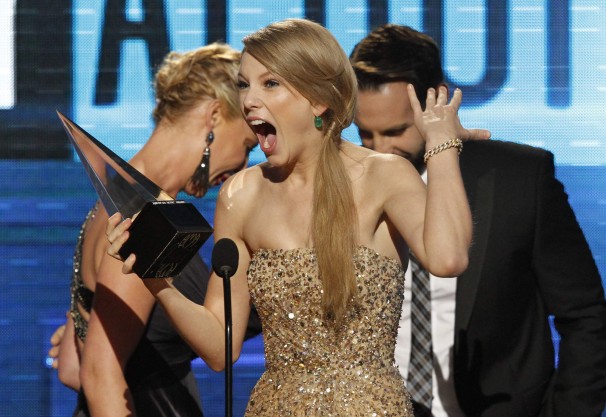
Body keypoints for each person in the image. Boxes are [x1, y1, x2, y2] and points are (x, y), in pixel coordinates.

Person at [106, 18, 489, 416]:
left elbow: (448, 258)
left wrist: (442, 145)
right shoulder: (240, 195)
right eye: (244, 84)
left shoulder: (385, 175)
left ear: (318, 99)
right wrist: (156, 280)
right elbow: (220, 348)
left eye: (270, 83)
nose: (249, 101)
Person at [350, 24, 606, 417]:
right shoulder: (346, 187)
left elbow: (585, 315)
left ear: (436, 101)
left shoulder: (520, 178)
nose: (380, 150)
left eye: (395, 131)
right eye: (366, 134)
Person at [49, 43, 262, 416]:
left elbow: (71, 365)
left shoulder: (120, 200)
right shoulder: (145, 219)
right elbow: (99, 375)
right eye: (246, 145)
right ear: (214, 115)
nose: (243, 164)